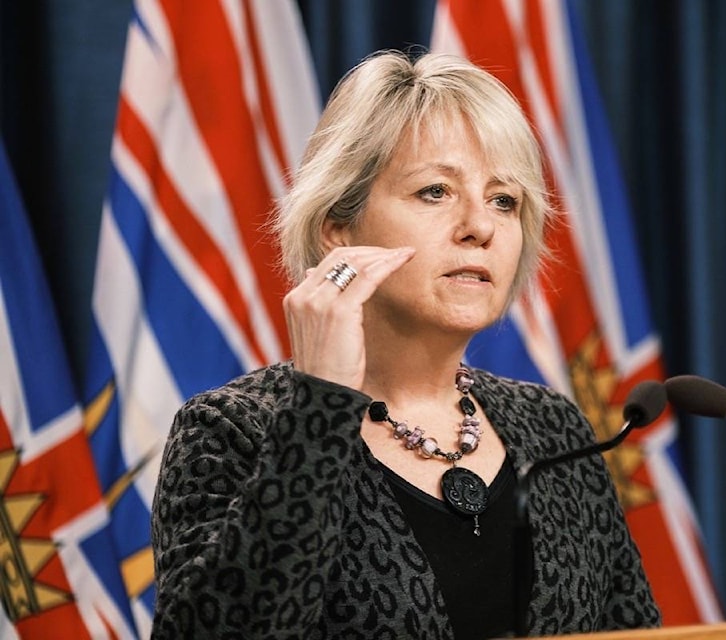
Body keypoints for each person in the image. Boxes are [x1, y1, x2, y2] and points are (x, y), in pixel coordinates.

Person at [150, 49, 661, 639]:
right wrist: (320, 406)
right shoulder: (231, 431)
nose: (481, 226)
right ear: (338, 228)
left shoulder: (554, 428)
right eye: (435, 191)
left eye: (504, 200)